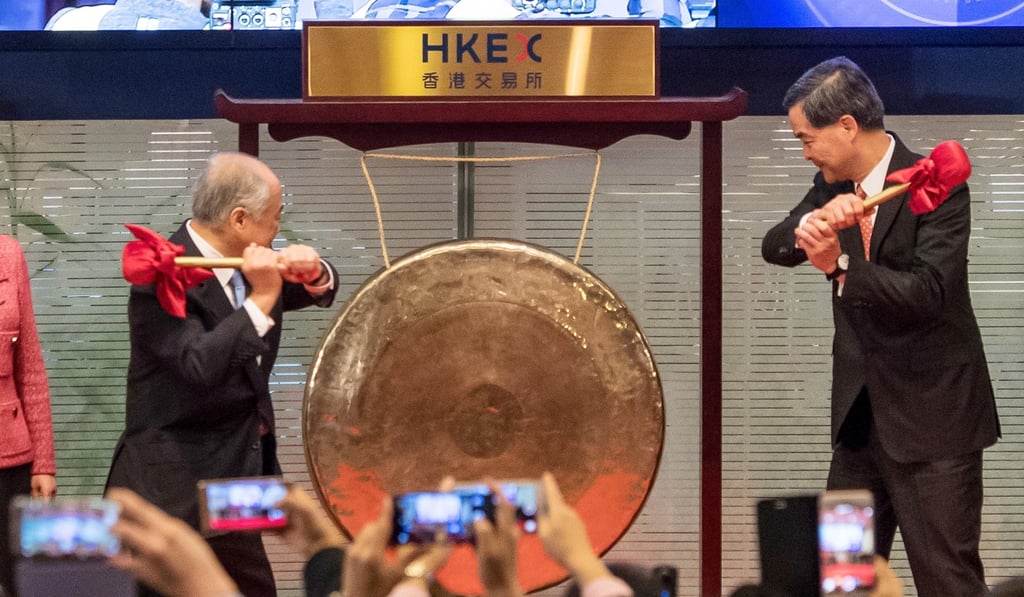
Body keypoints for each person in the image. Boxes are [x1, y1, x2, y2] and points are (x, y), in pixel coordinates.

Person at [761, 56, 1000, 597]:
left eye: (806, 138)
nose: (805, 151)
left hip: (935, 423)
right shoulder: (829, 185)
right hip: (860, 427)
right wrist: (812, 223)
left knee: (947, 580)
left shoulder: (935, 183)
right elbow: (775, 246)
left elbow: (927, 294)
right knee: (842, 581)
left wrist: (840, 267)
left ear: (847, 125)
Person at [105, 151, 339, 597]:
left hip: (234, 479)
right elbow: (200, 364)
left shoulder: (248, 259)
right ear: (238, 220)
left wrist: (315, 273)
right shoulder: (164, 274)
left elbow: (316, 285)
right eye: (274, 217)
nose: (278, 229)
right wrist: (265, 295)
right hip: (173, 486)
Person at [0, 233, 58, 597]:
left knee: (22, 582)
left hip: (11, 460)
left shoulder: (8, 253)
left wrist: (44, 464)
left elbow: (30, 365)